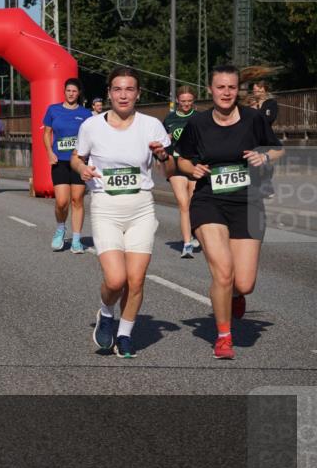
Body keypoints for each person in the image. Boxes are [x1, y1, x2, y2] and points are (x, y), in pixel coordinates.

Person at [176, 65, 283, 360]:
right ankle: (224, 337)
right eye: (220, 87)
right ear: (211, 90)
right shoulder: (198, 123)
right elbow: (181, 160)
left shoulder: (253, 119)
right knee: (223, 272)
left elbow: (277, 149)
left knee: (244, 282)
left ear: (239, 90)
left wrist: (263, 155)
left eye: (231, 88)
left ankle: (236, 296)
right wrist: (191, 168)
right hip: (209, 200)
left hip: (247, 203)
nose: (226, 93)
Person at [72, 68, 174, 358]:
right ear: (109, 93)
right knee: (116, 280)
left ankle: (125, 334)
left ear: (138, 94)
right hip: (106, 207)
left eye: (130, 89)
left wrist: (164, 156)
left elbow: (170, 170)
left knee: (136, 279)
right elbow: (76, 158)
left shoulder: (151, 125)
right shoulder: (91, 126)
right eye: (118, 89)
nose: (123, 95)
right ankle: (106, 312)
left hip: (141, 206)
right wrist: (82, 169)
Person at [42, 78, 92, 253]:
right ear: (64, 91)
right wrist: (49, 152)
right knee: (62, 202)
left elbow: (91, 137)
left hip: (78, 161)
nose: (71, 94)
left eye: (74, 91)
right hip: (59, 161)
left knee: (77, 200)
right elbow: (47, 133)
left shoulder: (86, 114)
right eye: (68, 90)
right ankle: (60, 228)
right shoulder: (53, 110)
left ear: (79, 93)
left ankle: (77, 239)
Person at [163, 86, 199, 258]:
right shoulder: (169, 119)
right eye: (183, 101)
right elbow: (162, 143)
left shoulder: (200, 118)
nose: (186, 104)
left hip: (193, 164)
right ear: (177, 100)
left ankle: (194, 232)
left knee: (193, 203)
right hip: (176, 165)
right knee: (183, 203)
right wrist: (166, 141)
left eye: (189, 101)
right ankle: (187, 244)